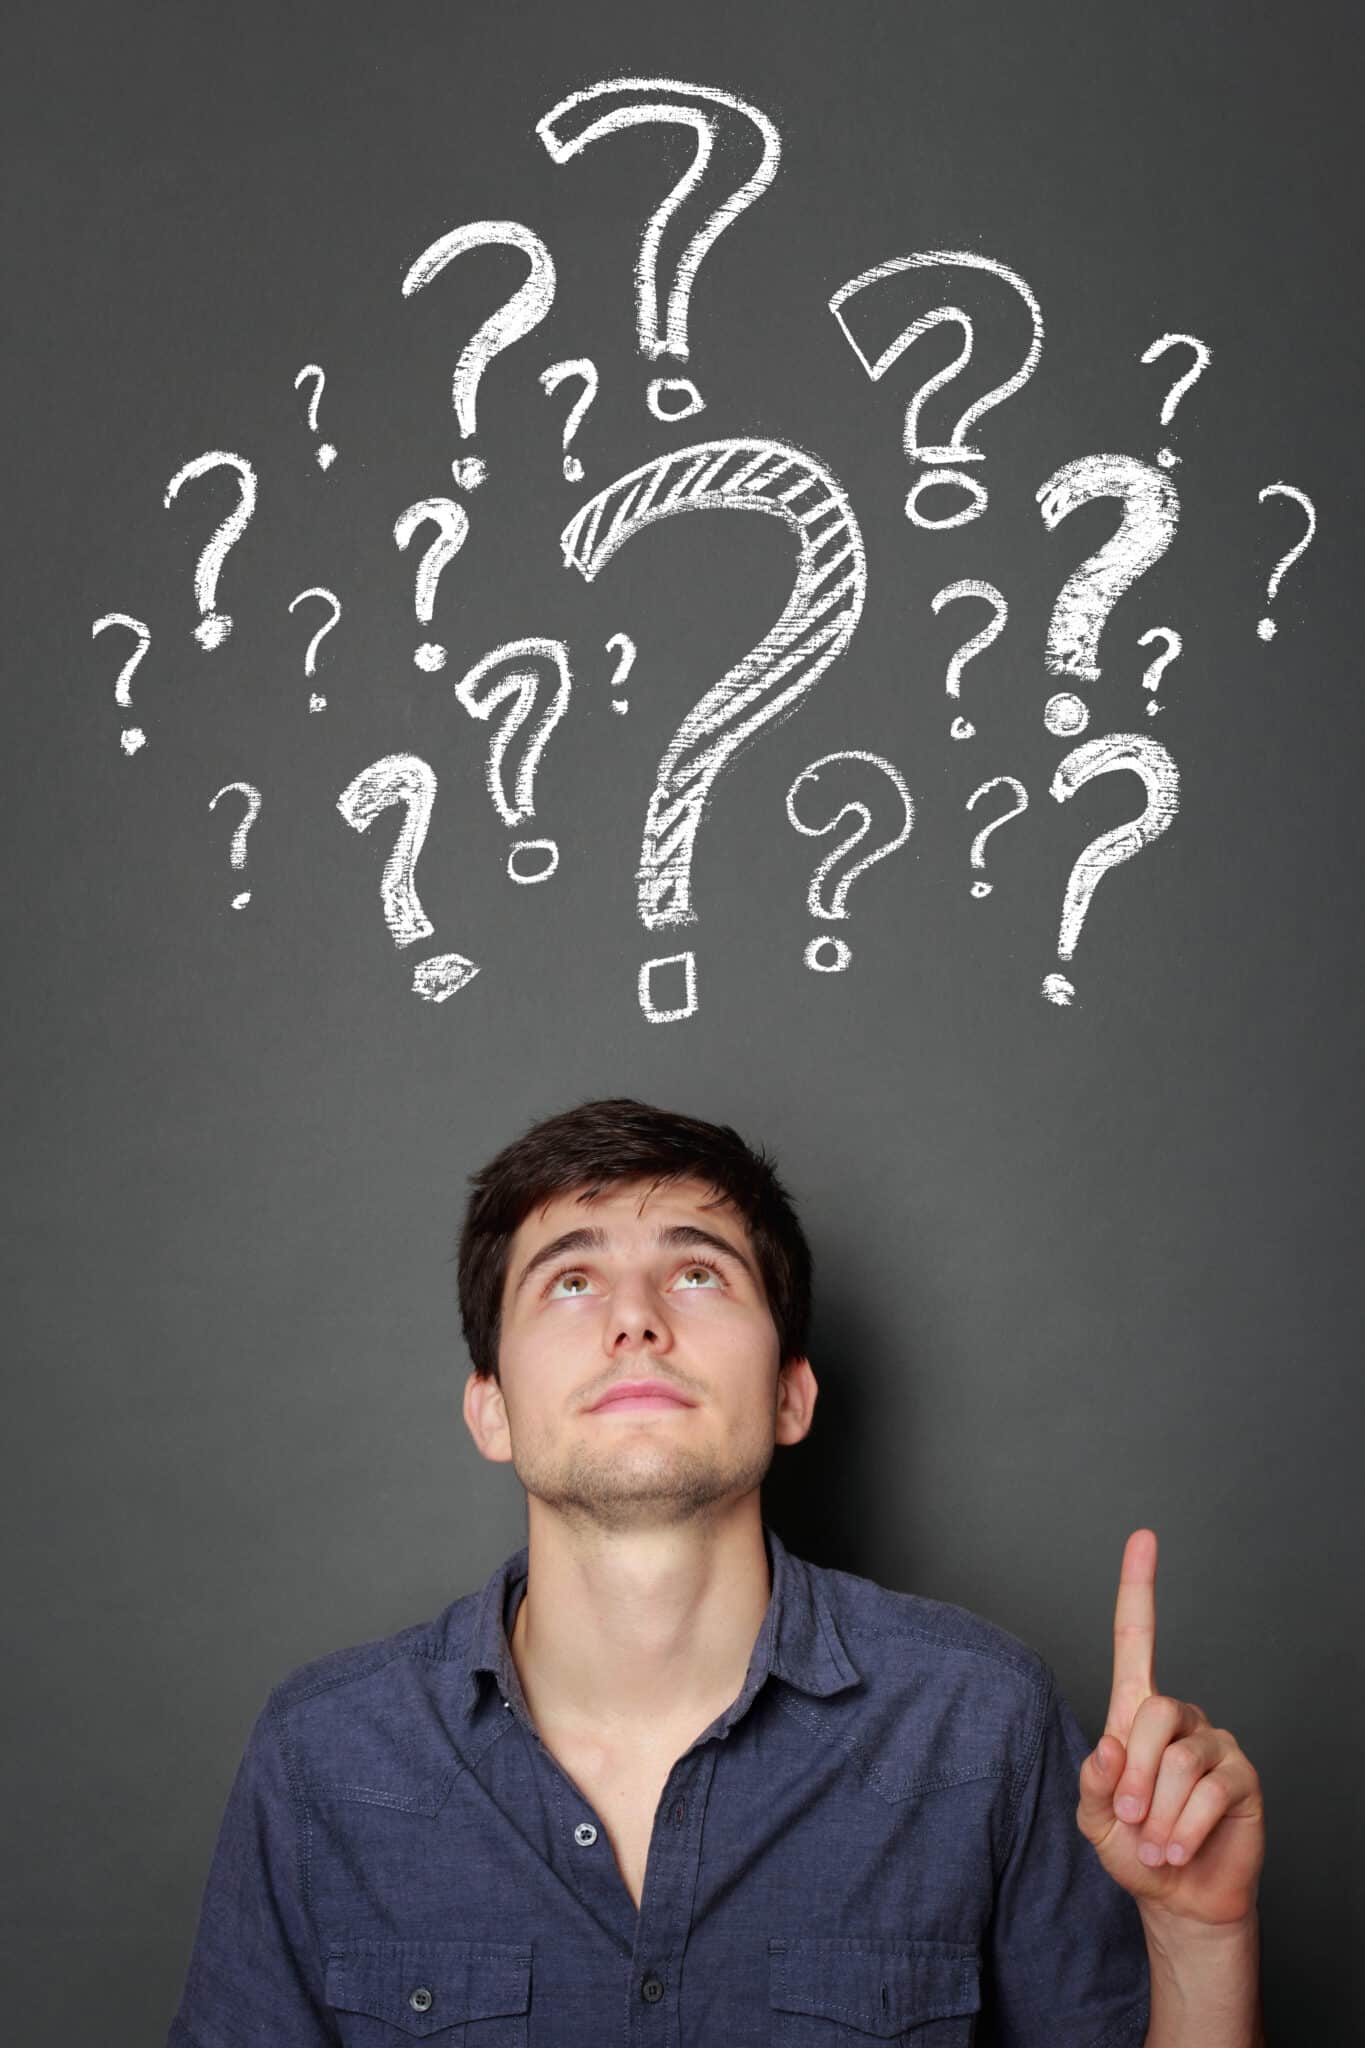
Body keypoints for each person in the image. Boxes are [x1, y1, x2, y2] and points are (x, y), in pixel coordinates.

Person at [167, 1097, 1265, 2046]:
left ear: (793, 1393)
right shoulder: (324, 1756)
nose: (636, 1318)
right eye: (569, 1281)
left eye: (696, 1271)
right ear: (489, 1406)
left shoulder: (982, 1721)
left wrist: (1199, 1934)